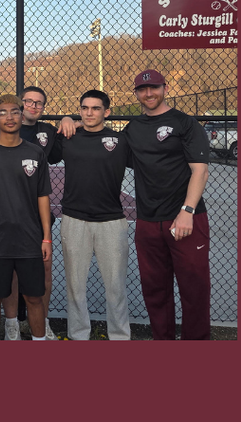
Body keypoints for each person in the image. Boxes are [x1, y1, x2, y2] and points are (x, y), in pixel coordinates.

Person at [62, 70, 211, 340]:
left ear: (165, 88)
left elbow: (200, 171)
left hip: (185, 217)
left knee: (194, 288)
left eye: (154, 88)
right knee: (155, 289)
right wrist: (71, 120)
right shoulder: (133, 129)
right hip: (148, 219)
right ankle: (162, 342)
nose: (149, 94)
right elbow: (99, 134)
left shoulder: (185, 123)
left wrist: (187, 211)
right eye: (143, 89)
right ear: (137, 93)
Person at [0, 86, 62, 339]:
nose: (10, 117)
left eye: (15, 112)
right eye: (3, 112)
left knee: (34, 297)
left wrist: (46, 238)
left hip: (30, 239)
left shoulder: (35, 152)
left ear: (22, 116)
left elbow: (43, 197)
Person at [59, 90, 132, 341]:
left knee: (116, 286)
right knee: (75, 286)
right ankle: (79, 336)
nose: (89, 113)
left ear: (106, 112)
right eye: (85, 108)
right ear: (80, 110)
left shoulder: (121, 140)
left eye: (96, 108)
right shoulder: (67, 137)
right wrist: (66, 119)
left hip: (111, 221)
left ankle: (119, 337)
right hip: (74, 219)